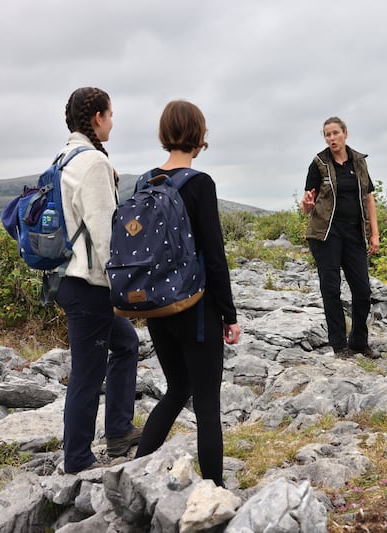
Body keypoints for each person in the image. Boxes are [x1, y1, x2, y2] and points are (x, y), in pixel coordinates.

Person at [134, 100, 241, 487]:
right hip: (196, 308)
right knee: (208, 405)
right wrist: (228, 315)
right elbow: (214, 256)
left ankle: (134, 474)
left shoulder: (145, 181)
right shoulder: (200, 184)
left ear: (165, 134)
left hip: (157, 308)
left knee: (177, 389)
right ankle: (214, 493)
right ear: (199, 136)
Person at [55, 87, 141, 474]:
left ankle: (120, 431)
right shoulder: (92, 163)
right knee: (87, 374)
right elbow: (106, 232)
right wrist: (124, 289)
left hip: (72, 280)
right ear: (97, 118)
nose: (113, 121)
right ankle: (77, 459)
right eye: (110, 114)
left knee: (125, 344)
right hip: (90, 286)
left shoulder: (66, 157)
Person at [300, 116, 380, 359]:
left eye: (335, 133)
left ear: (345, 133)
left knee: (363, 290)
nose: (332, 138)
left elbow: (368, 199)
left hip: (354, 232)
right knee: (331, 288)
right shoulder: (318, 163)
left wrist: (374, 234)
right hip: (325, 234)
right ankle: (338, 345)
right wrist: (306, 204)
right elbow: (307, 204)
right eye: (327, 134)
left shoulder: (359, 162)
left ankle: (358, 341)